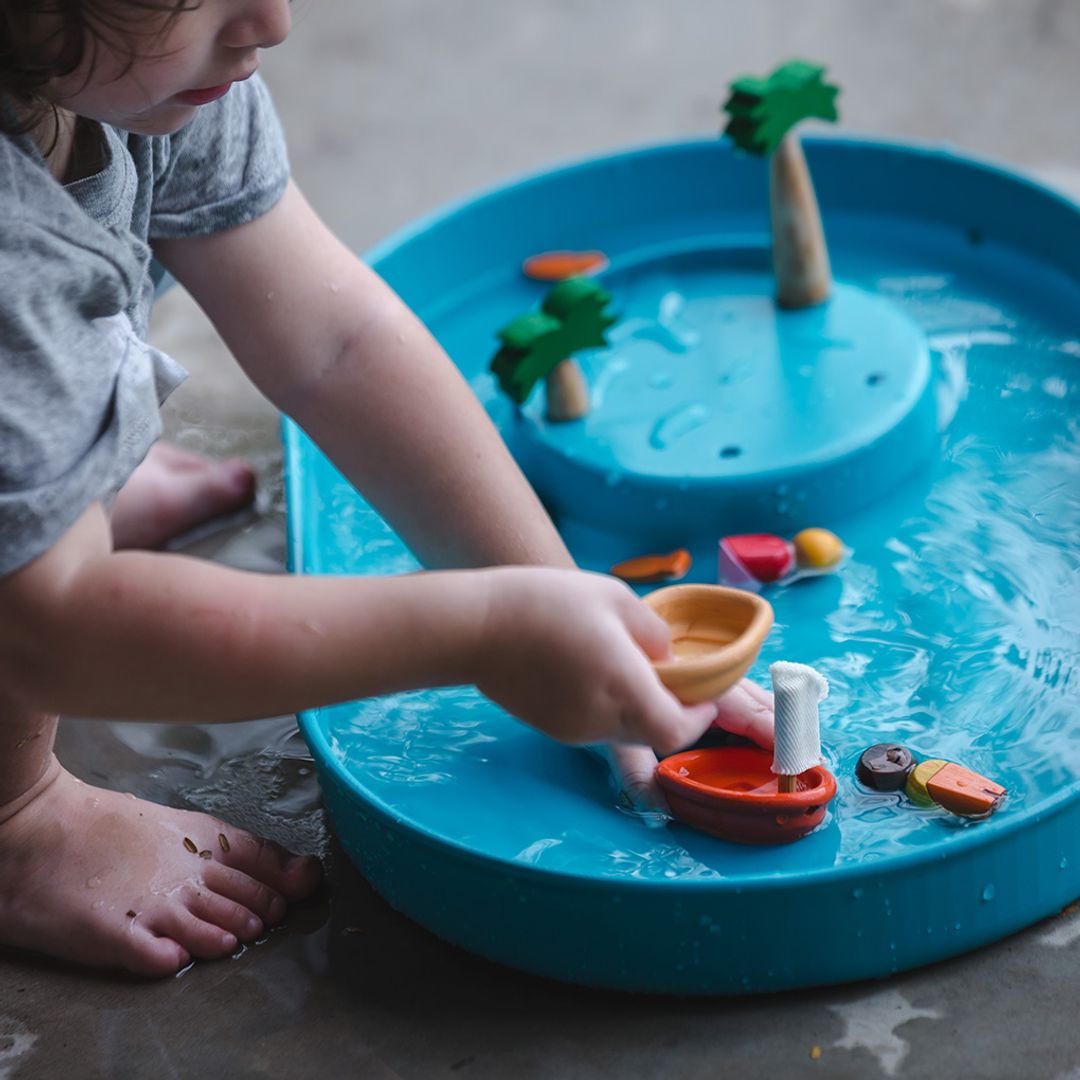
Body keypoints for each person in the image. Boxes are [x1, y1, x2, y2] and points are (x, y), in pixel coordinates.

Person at [0, 0, 775, 978]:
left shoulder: (138, 61)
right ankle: (16, 820)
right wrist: (481, 632)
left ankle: (59, 459)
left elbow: (334, 342)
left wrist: (562, 600)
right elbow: (57, 635)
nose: (272, 22)